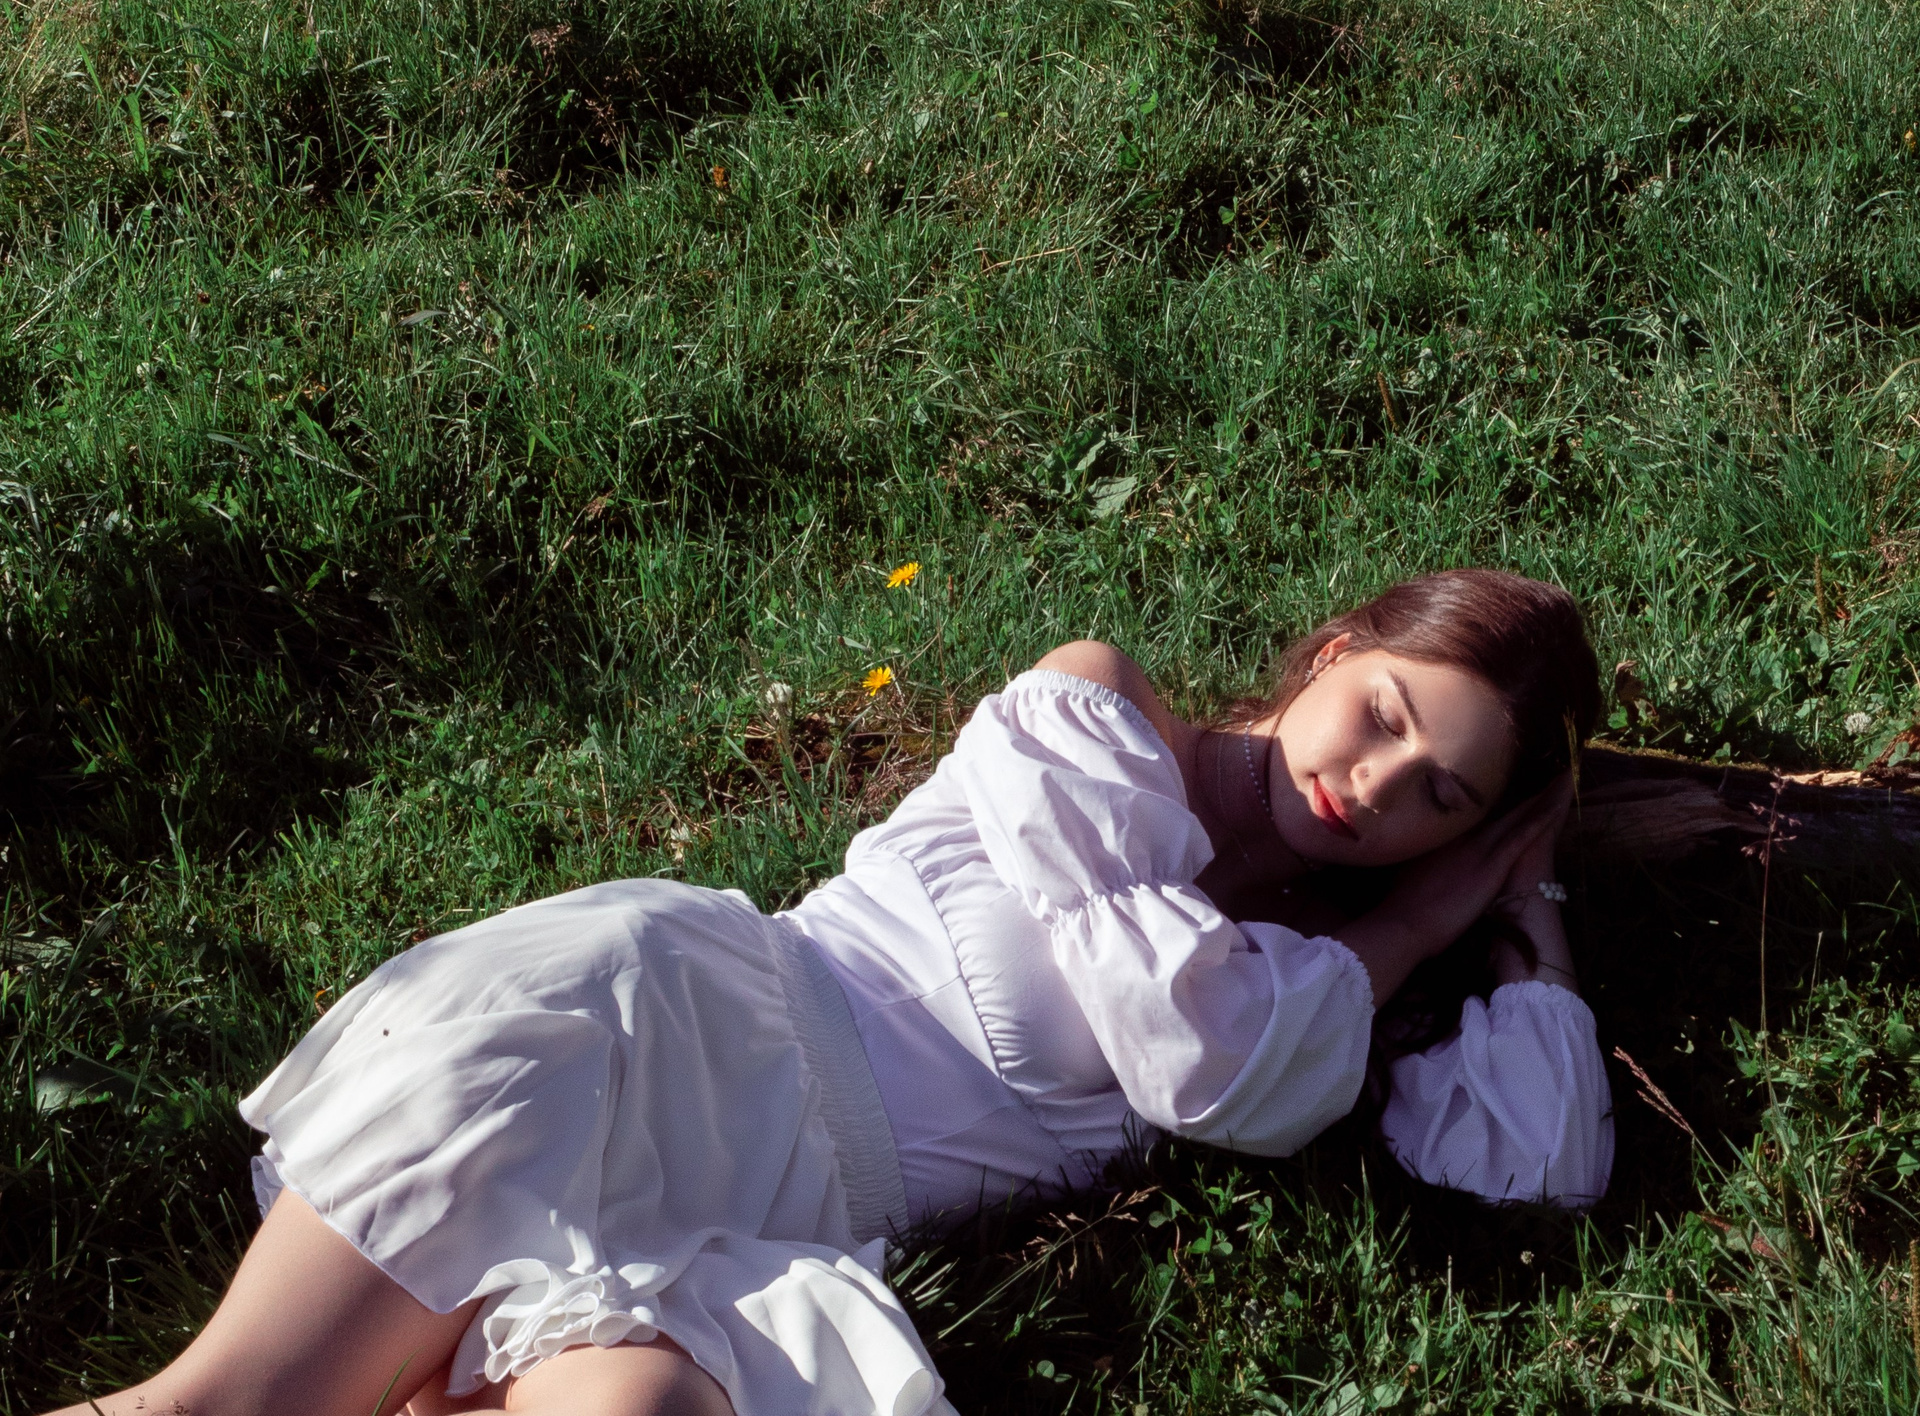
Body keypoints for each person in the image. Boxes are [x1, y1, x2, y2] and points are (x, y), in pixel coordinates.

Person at [47, 568, 1608, 1416]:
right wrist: (1418, 924)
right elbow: (1198, 1054)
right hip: (657, 1033)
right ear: (1328, 653)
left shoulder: (1314, 977)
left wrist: (1523, 914)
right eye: (1383, 712)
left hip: (773, 1231)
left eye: (1443, 797)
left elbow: (1544, 1170)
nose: (1375, 784)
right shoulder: (1102, 716)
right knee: (225, 1408)